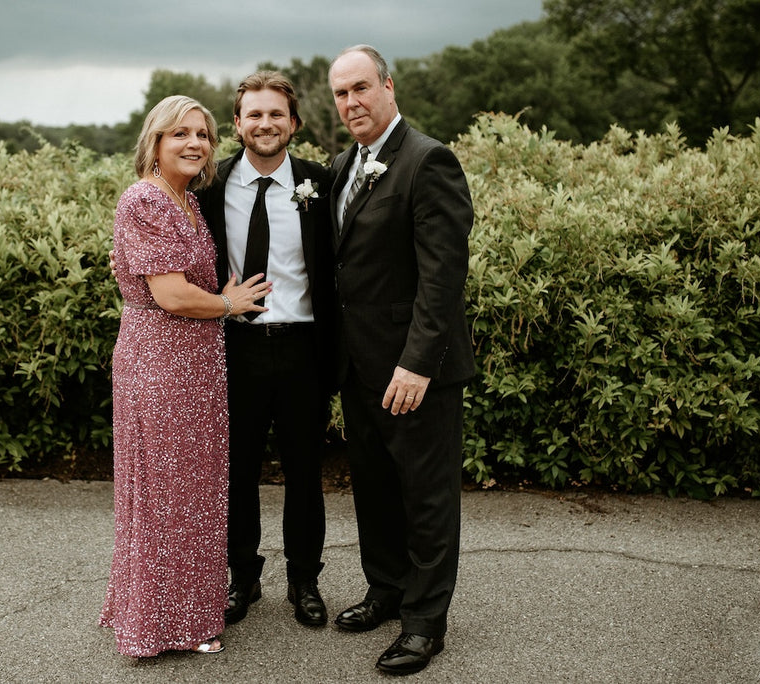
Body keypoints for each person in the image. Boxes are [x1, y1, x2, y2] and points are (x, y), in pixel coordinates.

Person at [98, 95, 272, 658]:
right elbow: (169, 294)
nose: (195, 143)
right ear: (154, 141)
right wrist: (230, 304)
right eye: (180, 134)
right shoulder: (146, 200)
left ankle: (189, 612)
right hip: (159, 362)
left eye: (203, 134)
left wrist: (219, 301)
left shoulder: (189, 202)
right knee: (166, 492)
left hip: (195, 363)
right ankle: (160, 623)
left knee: (194, 492)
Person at [326, 45, 475, 676]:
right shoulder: (341, 165)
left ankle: (424, 623)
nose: (352, 103)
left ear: (388, 86)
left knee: (427, 496)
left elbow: (442, 279)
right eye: (340, 94)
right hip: (358, 368)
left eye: (361, 88)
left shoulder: (427, 160)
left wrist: (417, 364)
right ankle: (385, 591)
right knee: (377, 490)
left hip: (415, 371)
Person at [196, 71, 336, 628]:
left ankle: (304, 580)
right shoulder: (209, 188)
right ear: (237, 124)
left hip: (303, 347)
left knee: (306, 472)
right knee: (237, 471)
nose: (265, 124)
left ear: (294, 123)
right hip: (236, 347)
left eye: (276, 114)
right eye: (254, 114)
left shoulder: (320, 183)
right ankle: (242, 580)